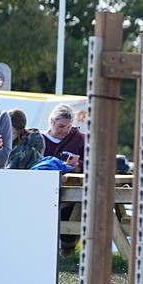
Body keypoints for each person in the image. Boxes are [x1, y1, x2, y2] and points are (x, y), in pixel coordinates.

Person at [41, 104, 85, 254]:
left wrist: (79, 166)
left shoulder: (79, 139)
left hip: (71, 194)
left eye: (68, 126)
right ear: (51, 122)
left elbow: (94, 163)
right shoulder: (39, 139)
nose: (65, 131)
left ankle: (67, 251)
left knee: (71, 212)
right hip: (43, 192)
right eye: (61, 126)